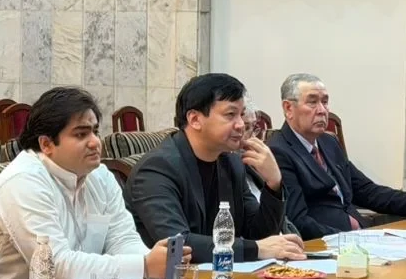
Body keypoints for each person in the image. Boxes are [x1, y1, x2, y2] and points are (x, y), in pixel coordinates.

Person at [0, 86, 189, 279]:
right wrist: (144, 266)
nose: (95, 142)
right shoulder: (23, 181)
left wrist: (154, 261)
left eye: (95, 131)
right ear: (46, 144)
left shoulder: (101, 177)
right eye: (81, 134)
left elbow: (122, 240)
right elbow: (55, 266)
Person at [127, 73, 306, 265]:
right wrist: (257, 249)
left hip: (220, 275)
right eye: (230, 115)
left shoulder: (231, 163)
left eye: (241, 114)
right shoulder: (156, 169)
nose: (241, 124)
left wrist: (274, 184)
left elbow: (258, 233)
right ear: (195, 119)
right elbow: (178, 244)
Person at [268, 73, 406, 240]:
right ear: (288, 108)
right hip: (325, 247)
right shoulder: (278, 151)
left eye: (325, 102)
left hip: (360, 239)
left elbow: (368, 192)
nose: (322, 110)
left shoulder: (328, 142)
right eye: (312, 102)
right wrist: (350, 239)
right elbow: (298, 222)